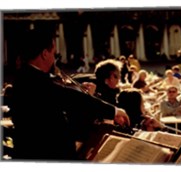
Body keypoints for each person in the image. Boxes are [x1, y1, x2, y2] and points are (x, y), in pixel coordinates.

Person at [10, 28, 129, 160]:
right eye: (54, 54)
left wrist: (81, 93)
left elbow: (61, 105)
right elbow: (72, 99)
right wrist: (114, 111)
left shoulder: (26, 76)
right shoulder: (36, 80)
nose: (54, 59)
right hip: (48, 155)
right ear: (44, 53)